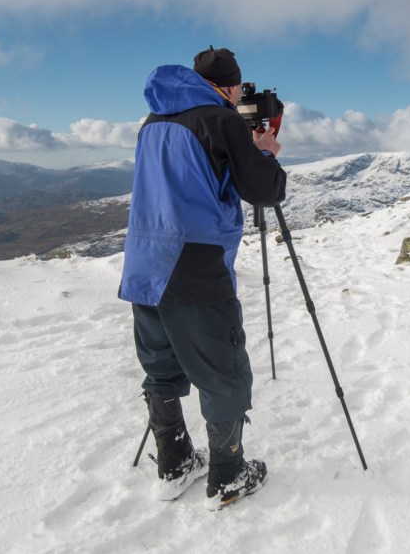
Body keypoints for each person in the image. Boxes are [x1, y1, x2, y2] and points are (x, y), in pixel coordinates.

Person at [119, 46, 286, 508]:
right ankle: (229, 474)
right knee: (223, 372)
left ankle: (173, 463)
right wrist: (266, 153)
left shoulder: (152, 122)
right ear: (230, 87)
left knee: (162, 365)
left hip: (144, 264)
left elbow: (196, 180)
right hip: (193, 267)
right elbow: (263, 191)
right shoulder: (222, 121)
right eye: (237, 90)